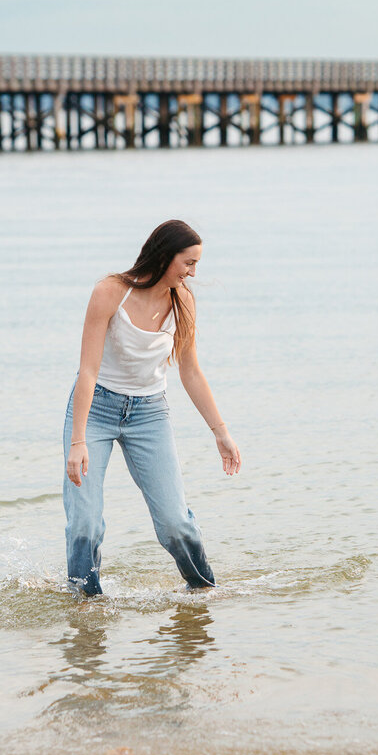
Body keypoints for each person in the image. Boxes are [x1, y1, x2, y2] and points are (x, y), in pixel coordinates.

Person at [64, 219, 240, 596]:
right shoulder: (110, 292)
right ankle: (84, 603)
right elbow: (88, 371)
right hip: (95, 410)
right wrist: (78, 440)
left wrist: (220, 432)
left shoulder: (183, 301)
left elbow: (190, 372)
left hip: (149, 413)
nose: (192, 273)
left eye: (196, 265)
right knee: (85, 523)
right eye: (188, 263)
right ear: (164, 255)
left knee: (175, 523)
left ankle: (205, 591)